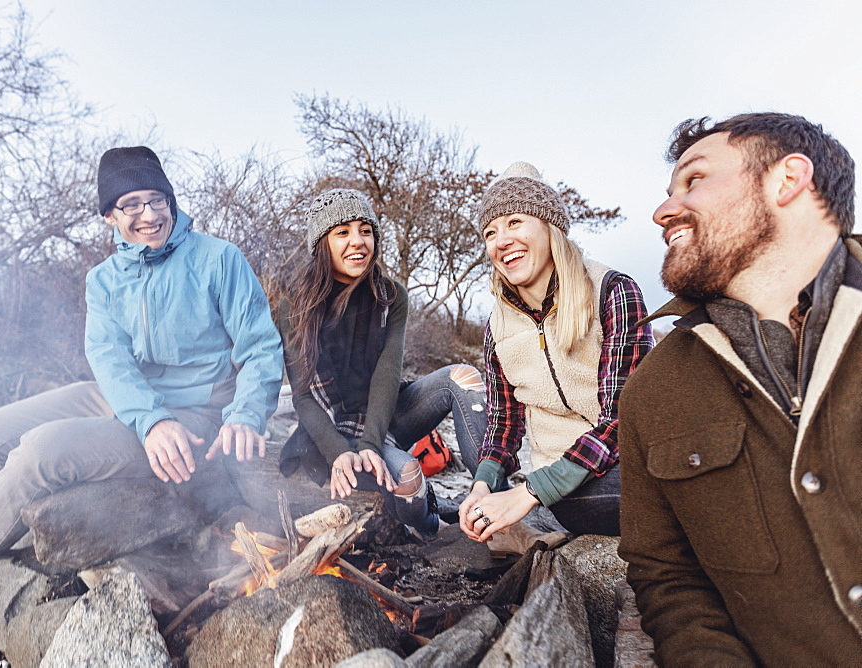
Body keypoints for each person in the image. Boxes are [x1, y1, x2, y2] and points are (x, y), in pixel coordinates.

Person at [0, 146, 284, 651]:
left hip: (194, 417)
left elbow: (261, 347)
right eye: (131, 205)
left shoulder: (218, 259)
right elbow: (109, 360)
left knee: (41, 453)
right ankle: (22, 510)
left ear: (171, 201)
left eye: (157, 200)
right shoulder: (103, 280)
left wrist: (244, 415)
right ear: (109, 214)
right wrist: (148, 421)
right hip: (129, 407)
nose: (148, 215)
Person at [617, 113, 862, 664]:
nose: (662, 212)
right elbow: (668, 578)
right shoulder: (654, 391)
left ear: (788, 179)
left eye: (694, 179)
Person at [458, 162, 653, 551]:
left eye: (515, 222)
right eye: (490, 232)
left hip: (626, 463)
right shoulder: (497, 327)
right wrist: (484, 484)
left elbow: (624, 417)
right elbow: (504, 420)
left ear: (550, 227)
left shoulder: (612, 292)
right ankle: (511, 526)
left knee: (672, 491)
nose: (501, 241)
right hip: (568, 487)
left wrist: (528, 493)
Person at [276, 188, 488, 538]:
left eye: (366, 230)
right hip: (336, 428)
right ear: (322, 244)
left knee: (462, 377)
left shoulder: (391, 296)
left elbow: (387, 375)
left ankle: (488, 501)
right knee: (408, 479)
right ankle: (433, 525)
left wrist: (373, 444)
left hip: (387, 413)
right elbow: (303, 396)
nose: (358, 241)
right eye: (342, 232)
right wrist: (340, 452)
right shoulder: (295, 306)